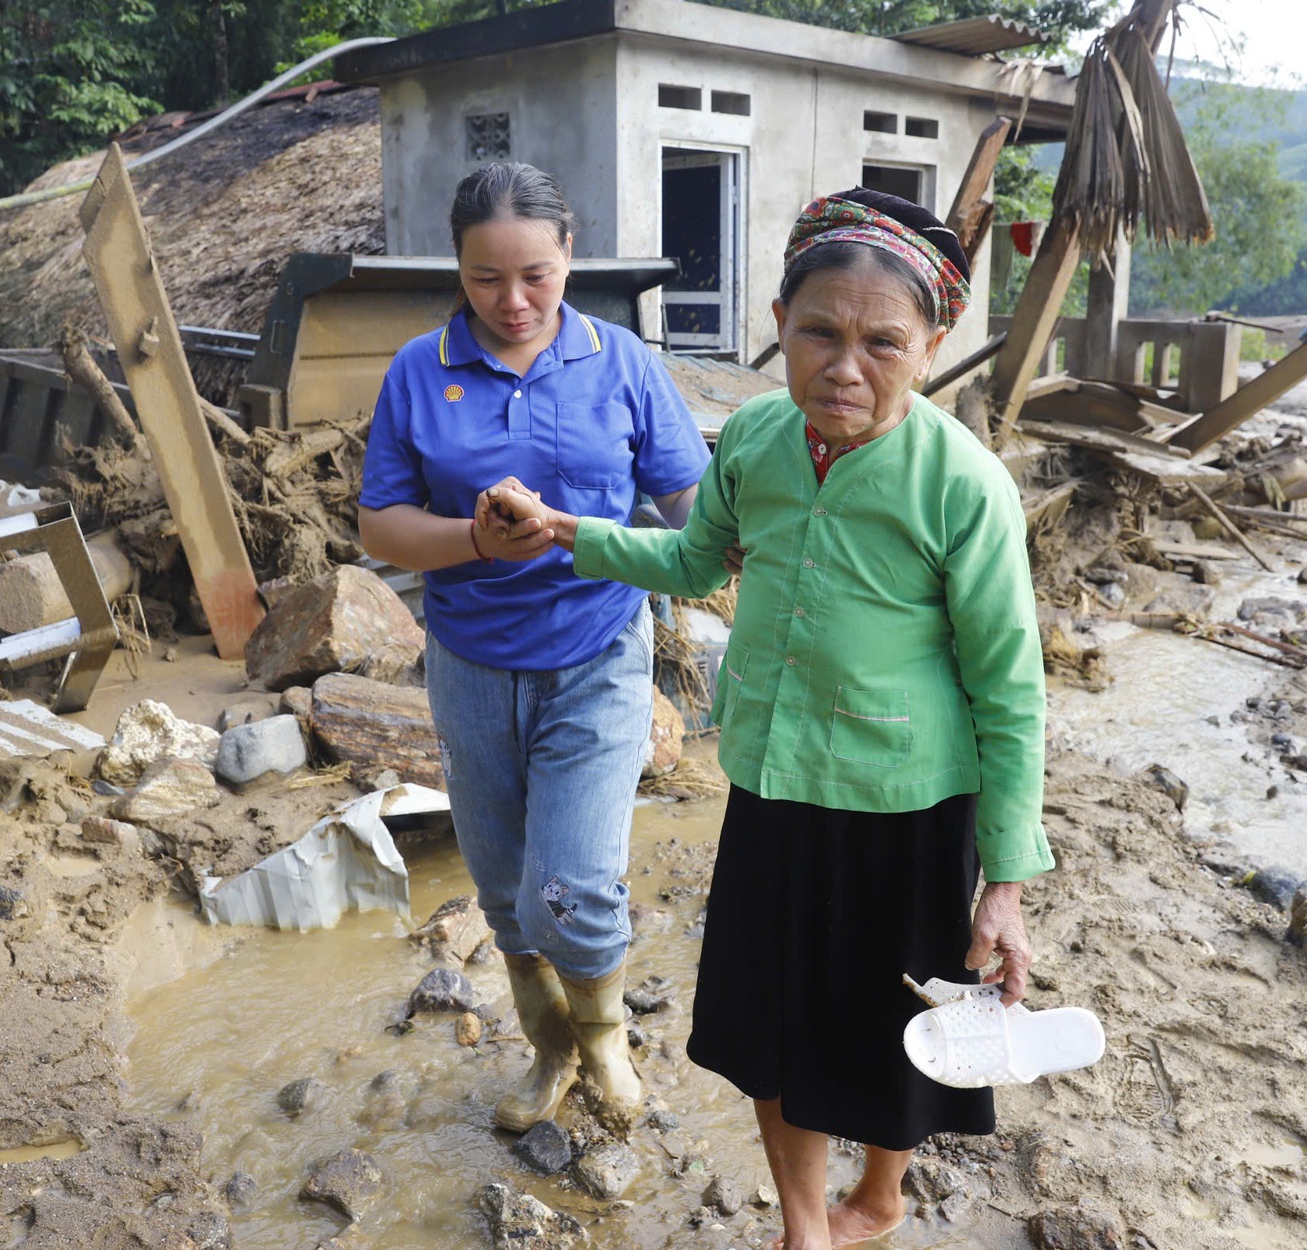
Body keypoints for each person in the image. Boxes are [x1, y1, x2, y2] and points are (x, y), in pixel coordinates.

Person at [484, 187, 1052, 1250]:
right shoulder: (752, 437)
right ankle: (805, 1226)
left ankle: (877, 1196)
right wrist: (568, 530)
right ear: (779, 329)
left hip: (911, 801)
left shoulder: (962, 486)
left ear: (929, 347)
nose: (845, 367)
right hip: (775, 782)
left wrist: (1006, 883)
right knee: (773, 1022)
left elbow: (1009, 691)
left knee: (902, 1028)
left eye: (882, 342)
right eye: (817, 333)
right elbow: (694, 561)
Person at [356, 162, 711, 1133]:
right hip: (469, 665)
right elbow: (380, 526)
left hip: (595, 652)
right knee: (507, 885)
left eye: (536, 275)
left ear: (569, 258)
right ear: (457, 269)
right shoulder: (417, 373)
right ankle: (547, 1039)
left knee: (575, 882)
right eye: (484, 279)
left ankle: (602, 1040)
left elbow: (694, 504)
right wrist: (472, 538)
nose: (511, 302)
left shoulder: (623, 363)